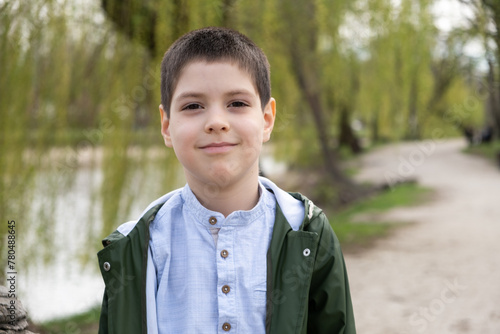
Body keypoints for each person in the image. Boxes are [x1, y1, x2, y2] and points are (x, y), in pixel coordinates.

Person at [97, 27, 356, 334]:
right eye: (193, 106)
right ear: (167, 125)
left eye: (237, 103)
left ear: (267, 120)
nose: (216, 122)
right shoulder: (137, 246)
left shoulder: (306, 231)